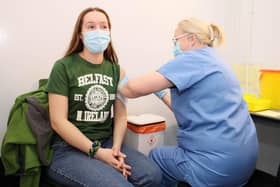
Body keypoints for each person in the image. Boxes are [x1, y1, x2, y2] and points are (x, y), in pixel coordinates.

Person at [119, 17, 259, 187]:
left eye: (176, 40)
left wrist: (118, 75)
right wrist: (161, 91)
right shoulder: (217, 60)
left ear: (191, 38)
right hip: (245, 162)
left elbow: (131, 90)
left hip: (217, 167)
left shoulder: (191, 59)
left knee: (157, 156)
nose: (175, 46)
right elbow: (192, 109)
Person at [45, 7, 162, 187]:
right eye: (91, 27)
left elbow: (121, 115)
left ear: (109, 32)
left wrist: (115, 148)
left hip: (106, 142)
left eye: (104, 26)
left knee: (152, 176)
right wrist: (99, 153)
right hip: (69, 149)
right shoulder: (63, 67)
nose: (98, 31)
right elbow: (58, 122)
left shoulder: (117, 71)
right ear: (81, 34)